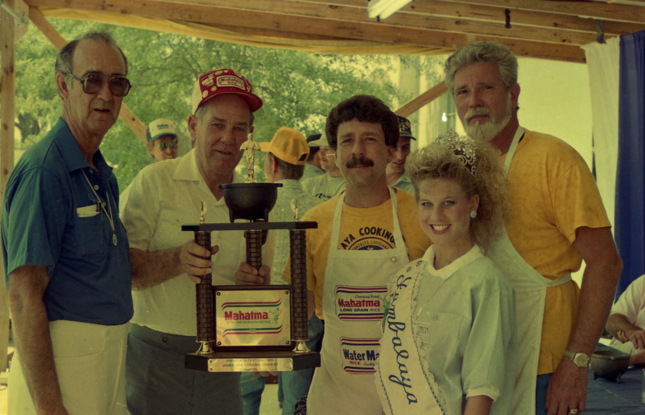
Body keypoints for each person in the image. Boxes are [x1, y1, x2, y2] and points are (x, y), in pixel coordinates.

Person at [444, 41, 622, 415]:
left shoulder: (554, 159)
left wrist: (576, 362)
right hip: (474, 363)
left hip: (545, 363)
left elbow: (606, 264)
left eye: (486, 88)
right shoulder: (456, 170)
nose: (473, 101)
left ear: (513, 93)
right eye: (463, 91)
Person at [120, 68, 272, 415]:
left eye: (239, 128)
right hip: (153, 360)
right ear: (193, 127)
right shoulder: (154, 181)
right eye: (217, 125)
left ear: (250, 134)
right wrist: (177, 260)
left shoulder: (256, 198)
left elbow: (261, 293)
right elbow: (121, 270)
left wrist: (254, 287)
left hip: (222, 363)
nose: (228, 138)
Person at [2, 31, 132, 415]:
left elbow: (113, 263)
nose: (106, 95)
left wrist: (180, 259)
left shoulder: (99, 171)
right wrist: (50, 408)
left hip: (104, 367)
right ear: (63, 85)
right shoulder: (45, 170)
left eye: (117, 83)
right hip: (63, 376)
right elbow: (23, 298)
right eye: (92, 80)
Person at [285, 95, 431, 414]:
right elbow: (297, 309)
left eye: (370, 140)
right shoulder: (312, 222)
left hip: (409, 397)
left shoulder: (423, 216)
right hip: (337, 396)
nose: (358, 151)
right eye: (347, 141)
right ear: (335, 153)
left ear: (390, 151)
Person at [375, 131, 518, 415]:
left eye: (448, 203)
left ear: (473, 204)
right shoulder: (405, 278)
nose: (436, 216)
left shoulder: (487, 284)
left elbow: (482, 388)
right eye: (427, 204)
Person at [240, 127, 324, 415]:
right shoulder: (319, 209)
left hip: (261, 312)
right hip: (306, 311)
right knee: (298, 396)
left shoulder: (259, 208)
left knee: (247, 392)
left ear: (272, 164)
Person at [605, 275, 645, 366]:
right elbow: (612, 319)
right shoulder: (643, 282)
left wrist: (631, 360)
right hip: (624, 350)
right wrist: (630, 331)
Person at [301, 135, 345, 200]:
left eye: (327, 149)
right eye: (320, 148)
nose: (321, 153)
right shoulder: (309, 184)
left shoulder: (354, 186)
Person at [385, 115, 415, 194]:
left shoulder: (418, 185)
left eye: (405, 148)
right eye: (394, 148)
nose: (400, 157)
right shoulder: (366, 180)